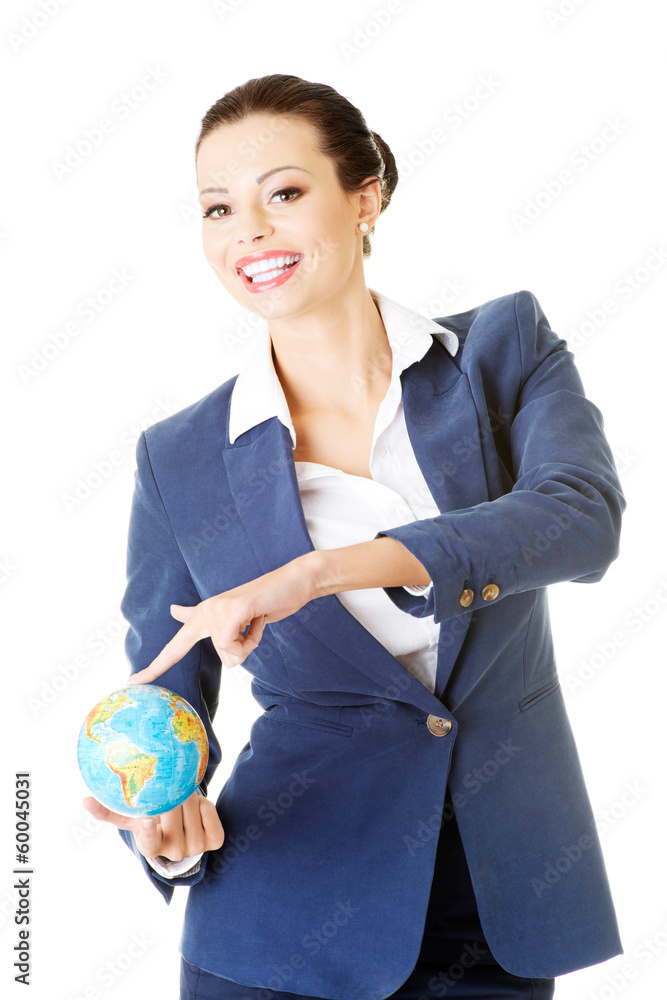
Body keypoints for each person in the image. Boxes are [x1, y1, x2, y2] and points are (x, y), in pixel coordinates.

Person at [83, 73, 626, 1000]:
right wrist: (165, 823)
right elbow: (169, 680)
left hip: (498, 915)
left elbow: (578, 519)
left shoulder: (501, 354)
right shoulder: (180, 456)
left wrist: (317, 573)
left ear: (364, 197)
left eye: (283, 193)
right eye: (218, 208)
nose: (248, 231)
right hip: (277, 923)